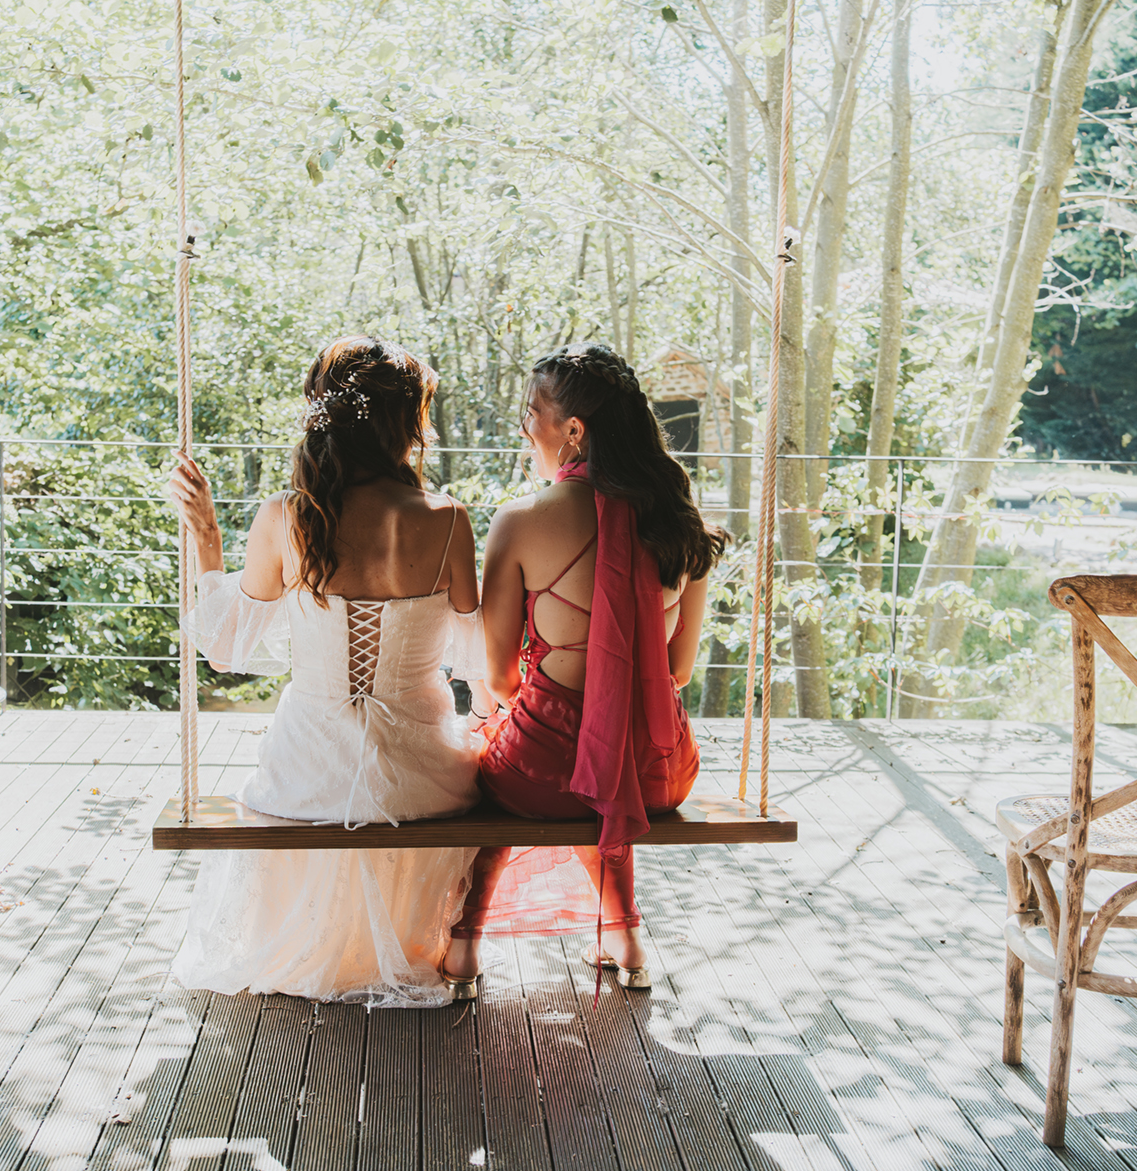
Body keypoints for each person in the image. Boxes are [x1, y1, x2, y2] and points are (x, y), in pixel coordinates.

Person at [166, 335, 485, 1007]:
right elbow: (478, 660)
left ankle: (319, 948)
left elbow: (225, 651)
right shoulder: (449, 521)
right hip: (422, 782)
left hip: (306, 779)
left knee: (292, 778)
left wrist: (206, 539)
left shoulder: (289, 517)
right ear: (404, 426)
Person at [441, 344, 727, 994]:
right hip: (661, 768)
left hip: (544, 771)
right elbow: (678, 672)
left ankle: (464, 946)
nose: (523, 427)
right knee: (605, 771)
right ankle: (622, 933)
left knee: (502, 765)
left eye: (531, 411)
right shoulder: (682, 524)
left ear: (574, 431)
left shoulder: (520, 522)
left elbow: (501, 680)